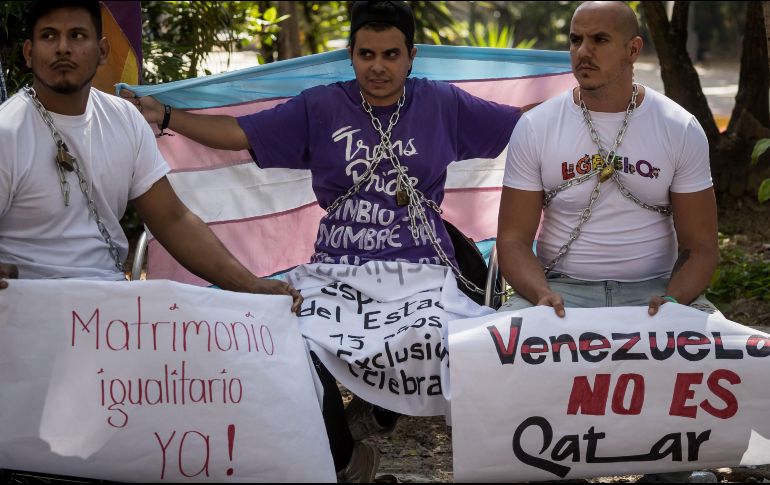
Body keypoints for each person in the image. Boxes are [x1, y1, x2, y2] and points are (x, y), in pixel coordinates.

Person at [123, 1, 523, 480]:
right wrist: (165, 114)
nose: (378, 66)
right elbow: (237, 133)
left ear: (411, 56)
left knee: (454, 344)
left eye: (391, 55)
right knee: (290, 348)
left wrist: (585, 101)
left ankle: (378, 415)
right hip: (337, 273)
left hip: (420, 273)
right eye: (366, 54)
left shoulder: (441, 103)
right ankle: (349, 460)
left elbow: (522, 125)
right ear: (350, 54)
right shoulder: (322, 106)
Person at [496, 1, 718, 482]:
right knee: (493, 356)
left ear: (633, 49)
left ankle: (671, 469)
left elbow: (702, 247)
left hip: (656, 292)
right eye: (576, 39)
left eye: (599, 40)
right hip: (561, 291)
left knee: (721, 352)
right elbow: (512, 240)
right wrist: (540, 294)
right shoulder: (536, 127)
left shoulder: (677, 127)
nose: (583, 51)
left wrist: (675, 301)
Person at [0, 0, 302, 314]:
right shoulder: (7, 131)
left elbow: (172, 221)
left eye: (77, 35)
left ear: (103, 51)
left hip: (109, 315)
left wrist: (251, 285)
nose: (63, 48)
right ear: (28, 53)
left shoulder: (124, 120)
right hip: (27, 315)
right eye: (49, 36)